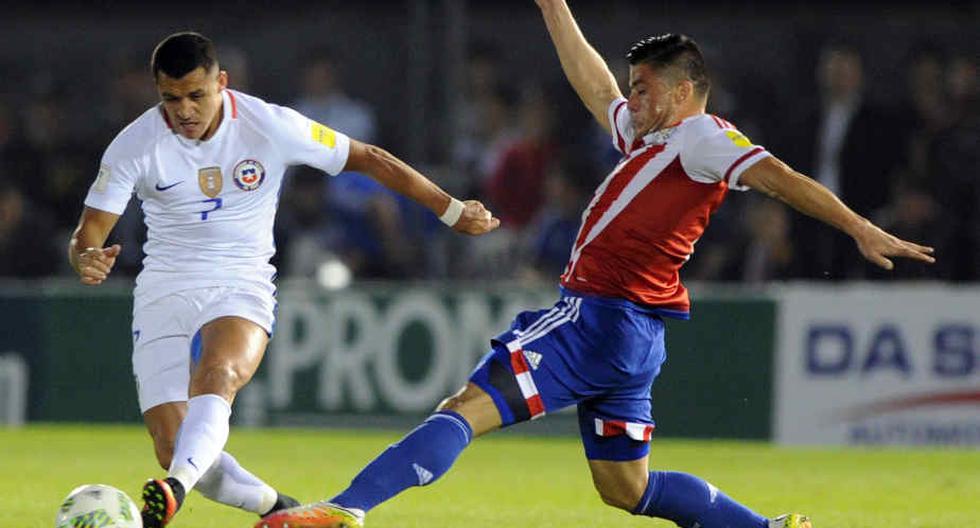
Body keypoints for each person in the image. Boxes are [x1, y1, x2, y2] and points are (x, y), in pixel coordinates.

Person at [257, 2, 935, 527]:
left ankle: (344, 510)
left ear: (681, 90)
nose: (629, 100)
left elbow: (780, 176)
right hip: (636, 337)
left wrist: (855, 226)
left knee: (465, 406)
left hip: (596, 318)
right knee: (625, 489)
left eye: (642, 89)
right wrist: (555, 11)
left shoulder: (704, 136)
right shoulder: (656, 137)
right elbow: (593, 86)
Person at [67, 31, 499, 528]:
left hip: (241, 281)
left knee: (219, 375)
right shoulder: (135, 144)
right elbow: (89, 233)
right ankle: (278, 508)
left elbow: (369, 158)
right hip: (165, 289)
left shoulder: (268, 124)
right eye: (170, 98)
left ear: (221, 83)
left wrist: (452, 211)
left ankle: (174, 492)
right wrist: (86, 259)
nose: (184, 110)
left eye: (195, 95)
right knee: (174, 446)